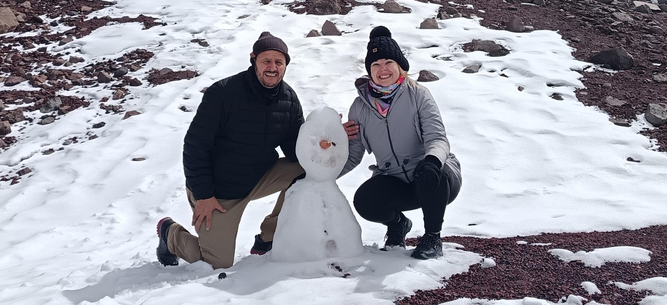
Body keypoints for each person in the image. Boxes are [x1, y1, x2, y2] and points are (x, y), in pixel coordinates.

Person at [156, 32, 305, 269]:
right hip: (218, 191)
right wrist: (204, 195)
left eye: (279, 62)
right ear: (253, 60)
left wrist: (323, 137)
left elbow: (296, 148)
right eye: (266, 60)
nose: (272, 67)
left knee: (307, 172)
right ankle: (169, 233)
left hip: (259, 177)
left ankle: (269, 237)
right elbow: (195, 147)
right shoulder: (224, 93)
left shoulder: (288, 99)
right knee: (215, 263)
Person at [341, 26, 462, 260]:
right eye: (375, 64)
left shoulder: (418, 94)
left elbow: (437, 138)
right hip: (396, 180)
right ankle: (398, 225)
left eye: (388, 62)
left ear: (400, 67)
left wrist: (432, 161)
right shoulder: (359, 107)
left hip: (436, 180)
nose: (382, 69)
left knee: (430, 171)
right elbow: (354, 154)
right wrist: (321, 177)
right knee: (365, 201)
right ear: (369, 70)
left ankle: (432, 237)